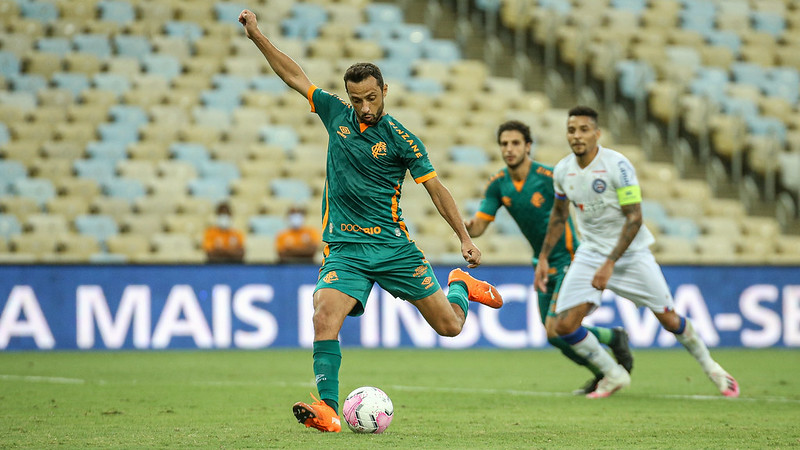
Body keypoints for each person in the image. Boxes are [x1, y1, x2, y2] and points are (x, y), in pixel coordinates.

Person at [239, 9, 504, 433]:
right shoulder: (335, 116)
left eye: (371, 98)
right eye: (356, 99)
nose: (364, 107)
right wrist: (256, 36)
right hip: (345, 248)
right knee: (324, 314)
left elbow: (436, 189)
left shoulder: (402, 139)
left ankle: (459, 284)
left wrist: (464, 237)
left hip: (393, 248)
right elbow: (294, 75)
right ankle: (327, 408)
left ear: (385, 90)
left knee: (450, 327)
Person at [534, 106, 739, 399]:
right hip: (591, 254)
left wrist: (610, 263)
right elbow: (557, 216)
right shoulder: (563, 170)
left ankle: (713, 369)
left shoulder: (617, 166)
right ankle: (613, 374)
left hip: (631, 255)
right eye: (571, 130)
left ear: (597, 133)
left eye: (583, 129)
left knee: (669, 319)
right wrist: (543, 257)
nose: (577, 136)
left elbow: (634, 218)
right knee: (563, 326)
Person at [465, 120, 632, 395]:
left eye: (515, 143)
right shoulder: (498, 184)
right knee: (554, 336)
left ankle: (611, 373)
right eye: (504, 144)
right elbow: (482, 224)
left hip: (569, 258)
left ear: (528, 146)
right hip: (540, 264)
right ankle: (610, 347)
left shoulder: (549, 176)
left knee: (558, 330)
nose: (509, 149)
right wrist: (468, 228)